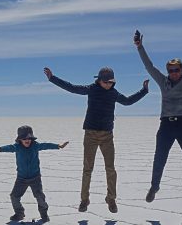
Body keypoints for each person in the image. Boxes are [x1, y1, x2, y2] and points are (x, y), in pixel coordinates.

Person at [44, 66, 149, 213]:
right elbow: (72, 88)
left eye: (110, 82)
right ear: (99, 80)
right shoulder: (92, 89)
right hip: (90, 135)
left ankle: (111, 199)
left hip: (107, 136)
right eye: (105, 82)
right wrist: (52, 78)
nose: (108, 84)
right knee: (87, 169)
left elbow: (127, 101)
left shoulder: (114, 93)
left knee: (110, 169)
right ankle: (84, 200)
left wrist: (143, 91)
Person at [134, 24, 182, 203]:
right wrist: (140, 47)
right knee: (159, 158)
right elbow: (149, 66)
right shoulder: (163, 82)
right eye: (171, 70)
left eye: (177, 70)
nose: (173, 73)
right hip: (166, 125)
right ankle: (154, 187)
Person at [0, 125, 68, 222]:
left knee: (40, 197)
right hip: (21, 179)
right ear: (20, 139)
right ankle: (19, 214)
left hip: (35, 178)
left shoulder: (36, 146)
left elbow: (46, 145)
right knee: (14, 196)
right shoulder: (17, 147)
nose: (27, 140)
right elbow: (9, 148)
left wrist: (58, 146)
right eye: (24, 138)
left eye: (29, 138)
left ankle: (44, 214)